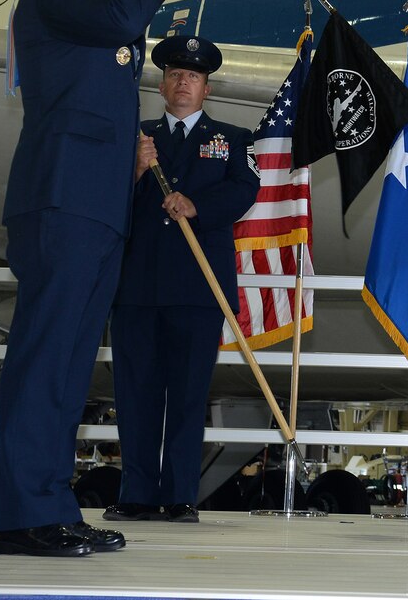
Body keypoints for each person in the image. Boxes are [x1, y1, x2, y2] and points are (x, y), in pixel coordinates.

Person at [0, 0, 180, 557]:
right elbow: (122, 20)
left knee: (69, 360)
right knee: (47, 355)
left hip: (92, 203)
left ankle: (49, 503)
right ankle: (22, 514)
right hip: (62, 200)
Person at [104, 36, 259, 525]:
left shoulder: (232, 138)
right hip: (137, 289)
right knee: (136, 395)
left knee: (189, 395)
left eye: (192, 76)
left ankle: (180, 496)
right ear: (162, 84)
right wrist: (131, 170)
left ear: (207, 89)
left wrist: (198, 206)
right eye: (174, 74)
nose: (182, 82)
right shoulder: (136, 136)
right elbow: (100, 198)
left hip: (197, 288)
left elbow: (246, 189)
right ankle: (137, 494)